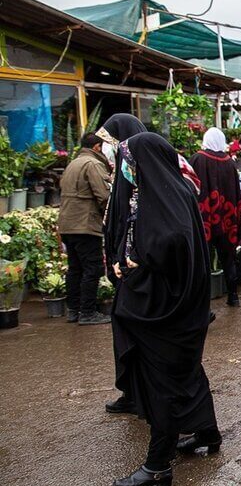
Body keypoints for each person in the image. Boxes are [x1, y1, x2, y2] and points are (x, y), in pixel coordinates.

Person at [109, 133, 220, 486]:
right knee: (186, 371)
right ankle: (208, 432)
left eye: (132, 161)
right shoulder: (179, 189)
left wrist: (138, 263)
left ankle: (158, 466)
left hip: (166, 310)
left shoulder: (162, 198)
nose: (129, 168)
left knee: (163, 386)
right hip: (186, 305)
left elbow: (169, 243)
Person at [99, 113, 149, 416]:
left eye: (112, 143)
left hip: (136, 268)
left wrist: (127, 257)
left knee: (136, 331)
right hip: (125, 266)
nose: (110, 149)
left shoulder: (140, 174)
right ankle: (133, 390)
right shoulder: (123, 172)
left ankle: (140, 393)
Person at [58, 132, 112, 325]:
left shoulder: (73, 163)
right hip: (85, 225)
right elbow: (104, 196)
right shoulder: (92, 164)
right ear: (97, 147)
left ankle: (73, 310)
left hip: (67, 224)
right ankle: (88, 312)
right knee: (93, 267)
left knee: (75, 268)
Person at [189, 128, 241, 307]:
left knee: (203, 260)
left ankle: (202, 302)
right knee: (228, 257)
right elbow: (236, 192)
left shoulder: (198, 159)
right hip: (226, 217)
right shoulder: (229, 162)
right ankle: (233, 296)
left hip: (204, 217)